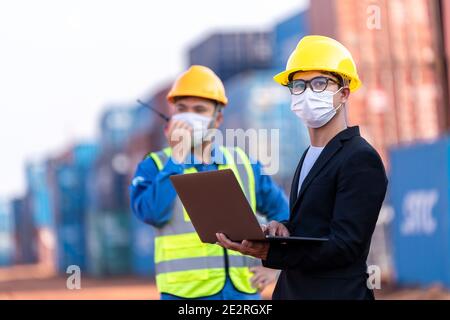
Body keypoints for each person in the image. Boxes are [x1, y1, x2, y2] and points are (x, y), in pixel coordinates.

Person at [216, 36, 388, 300]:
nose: (308, 92)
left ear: (344, 93)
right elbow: (315, 226)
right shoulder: (310, 155)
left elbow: (345, 247)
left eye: (319, 83)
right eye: (299, 85)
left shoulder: (360, 158)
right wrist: (283, 229)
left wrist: (269, 253)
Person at [130, 65, 289, 300]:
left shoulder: (244, 163)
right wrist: (177, 159)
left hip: (242, 294)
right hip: (184, 296)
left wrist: (275, 267)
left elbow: (283, 216)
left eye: (199, 109)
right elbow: (152, 213)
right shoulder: (155, 165)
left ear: (217, 119)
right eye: (182, 109)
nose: (189, 116)